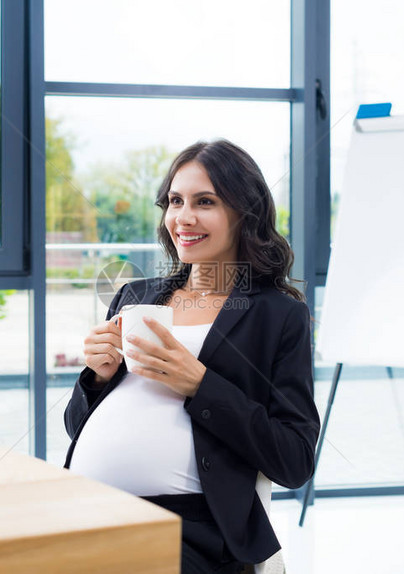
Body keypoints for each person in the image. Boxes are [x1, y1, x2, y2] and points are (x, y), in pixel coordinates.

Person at [64, 139, 320, 573]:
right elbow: (76, 428)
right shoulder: (136, 295)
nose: (183, 218)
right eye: (175, 201)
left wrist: (201, 386)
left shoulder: (277, 314)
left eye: (206, 202)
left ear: (245, 212)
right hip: (89, 509)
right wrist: (96, 379)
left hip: (189, 528)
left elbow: (294, 460)